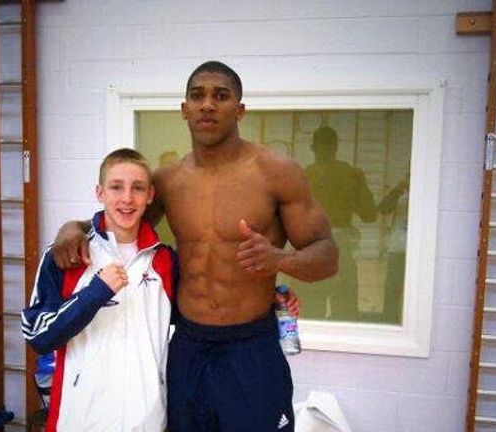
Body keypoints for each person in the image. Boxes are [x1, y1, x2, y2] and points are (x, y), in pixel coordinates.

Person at [51, 61, 338, 432]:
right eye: (197, 96)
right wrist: (69, 228)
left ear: (240, 109)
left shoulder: (276, 172)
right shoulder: (168, 181)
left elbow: (327, 254)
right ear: (184, 110)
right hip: (189, 344)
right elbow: (119, 219)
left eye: (221, 96)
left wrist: (281, 259)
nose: (207, 105)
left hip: (251, 345)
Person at [21, 149, 178, 431]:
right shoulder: (67, 254)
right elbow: (38, 336)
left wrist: (273, 301)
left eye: (137, 188)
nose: (127, 198)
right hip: (80, 419)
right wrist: (96, 293)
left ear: (150, 195)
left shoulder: (165, 260)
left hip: (147, 421)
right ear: (100, 192)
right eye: (116, 187)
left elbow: (199, 315)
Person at [304, 126, 377, 320]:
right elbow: (369, 215)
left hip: (313, 247)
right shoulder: (350, 174)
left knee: (311, 313)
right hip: (338, 246)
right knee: (343, 315)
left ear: (313, 148)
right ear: (336, 147)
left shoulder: (303, 176)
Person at [377, 175, 409, 323]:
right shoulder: (401, 195)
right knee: (392, 290)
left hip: (414, 250)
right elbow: (383, 209)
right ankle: (389, 321)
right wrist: (397, 188)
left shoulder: (426, 194)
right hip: (397, 247)